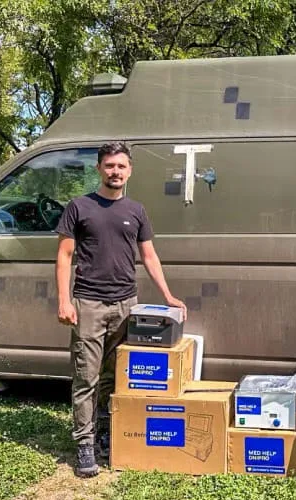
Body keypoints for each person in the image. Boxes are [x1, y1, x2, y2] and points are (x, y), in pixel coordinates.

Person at [56, 141, 187, 478]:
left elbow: (149, 256)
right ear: (99, 168)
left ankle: (105, 431)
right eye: (110, 165)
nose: (115, 171)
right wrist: (64, 300)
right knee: (86, 377)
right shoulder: (79, 207)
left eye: (121, 166)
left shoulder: (136, 211)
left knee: (115, 377)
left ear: (130, 171)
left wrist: (168, 295)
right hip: (88, 304)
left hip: (126, 305)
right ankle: (85, 444)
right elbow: (65, 256)